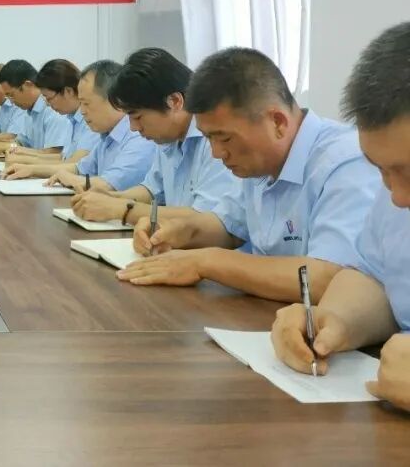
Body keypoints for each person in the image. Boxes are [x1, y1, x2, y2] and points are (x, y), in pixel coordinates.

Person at [120, 47, 380, 302]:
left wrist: (207, 262)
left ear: (277, 122)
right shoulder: (259, 162)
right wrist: (179, 231)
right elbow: (228, 226)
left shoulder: (345, 163)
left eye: (224, 138)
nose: (217, 153)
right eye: (209, 138)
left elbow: (328, 279)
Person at [271, 22, 410, 410]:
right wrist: (336, 320)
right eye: (381, 170)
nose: (397, 197)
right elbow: (375, 276)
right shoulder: (395, 195)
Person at [69, 48, 236, 225]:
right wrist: (112, 198)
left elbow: (204, 218)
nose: (133, 128)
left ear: (174, 101)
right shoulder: (168, 138)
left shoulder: (216, 140)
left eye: (138, 117)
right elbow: (151, 190)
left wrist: (122, 209)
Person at [40, 60, 156, 192]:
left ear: (116, 100)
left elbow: (111, 183)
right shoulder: (107, 135)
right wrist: (34, 170)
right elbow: (80, 168)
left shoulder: (139, 135)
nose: (82, 111)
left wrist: (75, 180)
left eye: (86, 103)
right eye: (81, 103)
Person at [2, 58, 101, 176]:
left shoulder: (91, 119)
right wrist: (25, 159)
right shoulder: (72, 119)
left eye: (49, 98)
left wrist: (31, 167)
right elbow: (63, 158)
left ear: (68, 91)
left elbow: (75, 165)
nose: (48, 104)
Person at [0, 59, 69, 156]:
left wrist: (9, 148)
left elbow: (53, 154)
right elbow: (22, 143)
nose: (11, 101)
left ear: (28, 85)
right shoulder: (29, 111)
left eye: (11, 95)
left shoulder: (53, 110)